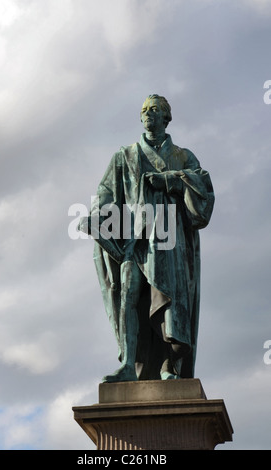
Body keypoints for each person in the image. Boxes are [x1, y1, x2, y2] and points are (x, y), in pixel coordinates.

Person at [79, 94, 214, 382]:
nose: (148, 114)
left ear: (167, 117)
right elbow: (105, 196)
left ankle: (169, 367)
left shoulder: (183, 156)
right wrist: (94, 216)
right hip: (136, 240)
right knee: (127, 296)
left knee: (171, 301)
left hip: (170, 242)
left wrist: (171, 180)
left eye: (155, 109)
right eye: (144, 110)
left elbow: (203, 195)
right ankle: (128, 364)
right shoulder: (124, 156)